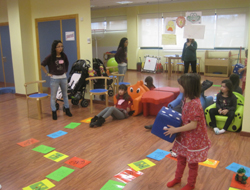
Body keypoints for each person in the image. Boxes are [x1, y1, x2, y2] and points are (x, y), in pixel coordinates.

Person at [164, 73, 211, 190]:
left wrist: (176, 129)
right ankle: (177, 178)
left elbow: (193, 125)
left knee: (192, 163)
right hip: (185, 136)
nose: (179, 87)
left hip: (194, 138)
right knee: (181, 158)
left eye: (180, 85)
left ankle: (191, 184)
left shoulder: (195, 104)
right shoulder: (186, 98)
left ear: (188, 87)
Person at [41, 40, 72, 120]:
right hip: (54, 79)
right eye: (58, 47)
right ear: (55, 48)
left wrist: (66, 70)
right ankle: (54, 111)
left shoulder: (63, 55)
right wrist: (47, 73)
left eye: (61, 46)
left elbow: (67, 63)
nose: (60, 48)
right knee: (53, 96)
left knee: (65, 95)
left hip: (63, 78)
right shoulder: (50, 57)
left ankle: (67, 109)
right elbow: (42, 65)